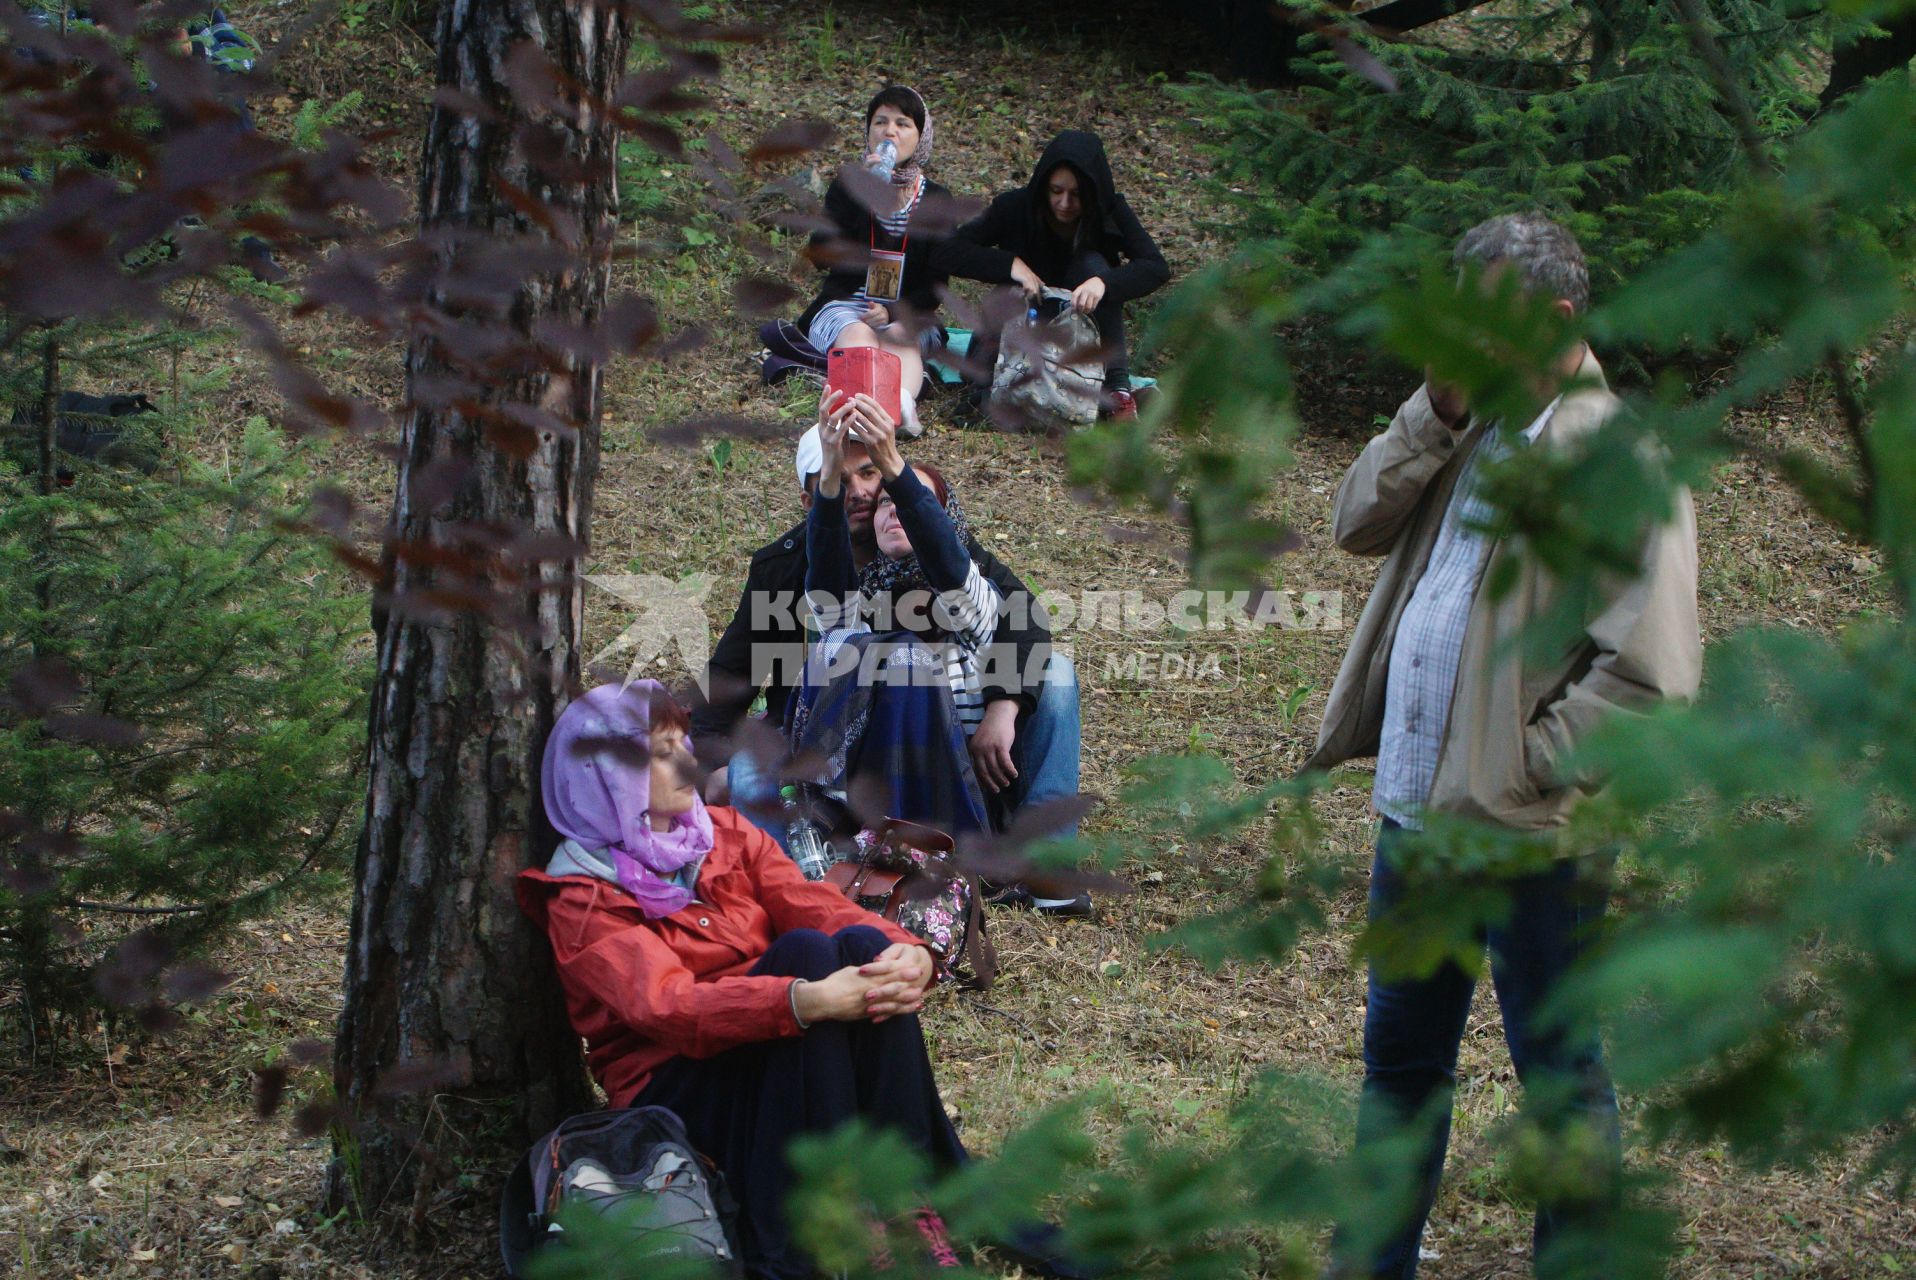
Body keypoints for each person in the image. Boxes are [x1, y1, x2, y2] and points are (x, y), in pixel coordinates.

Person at [1305, 213, 1701, 1278]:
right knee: (1398, 1060)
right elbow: (1353, 522)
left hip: (1530, 831)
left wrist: (1528, 767)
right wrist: (1432, 409)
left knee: (1557, 1072)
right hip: (1417, 810)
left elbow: (1650, 676)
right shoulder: (1471, 420)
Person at [517, 681, 963, 1279]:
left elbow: (810, 902)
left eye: (682, 743)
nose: (686, 762)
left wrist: (907, 953)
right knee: (804, 958)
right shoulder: (582, 895)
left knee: (856, 944)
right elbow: (667, 1008)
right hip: (675, 1085)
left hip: (773, 1049)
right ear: (600, 775)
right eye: (659, 751)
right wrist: (800, 1001)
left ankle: (902, 1197)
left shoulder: (722, 831)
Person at [689, 393, 1086, 913]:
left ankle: (1042, 863)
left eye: (875, 479)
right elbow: (811, 602)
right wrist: (705, 761)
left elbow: (977, 582)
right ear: (811, 502)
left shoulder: (967, 594)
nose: (874, 499)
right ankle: (798, 888)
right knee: (747, 769)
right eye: (881, 502)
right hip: (851, 760)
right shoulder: (846, 604)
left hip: (967, 779)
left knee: (1054, 673)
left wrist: (1005, 705)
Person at [936, 130, 1169, 419]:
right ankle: (995, 391)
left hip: (1077, 334)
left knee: (1094, 267)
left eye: (1076, 194)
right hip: (1016, 333)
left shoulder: (1109, 211)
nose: (1065, 203)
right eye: (1056, 191)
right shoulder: (1015, 207)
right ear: (1043, 186)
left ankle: (1117, 390)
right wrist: (1011, 265)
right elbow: (947, 251)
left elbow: (1156, 266)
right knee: (1009, 294)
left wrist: (1103, 283)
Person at [795, 85, 965, 437]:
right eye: (880, 122)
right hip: (846, 305)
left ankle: (901, 405)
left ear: (920, 137)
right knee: (859, 332)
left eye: (903, 124)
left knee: (901, 334)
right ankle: (865, 414)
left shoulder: (937, 200)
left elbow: (936, 284)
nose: (889, 131)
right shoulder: (847, 185)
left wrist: (893, 312)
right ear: (868, 132)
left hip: (909, 310)